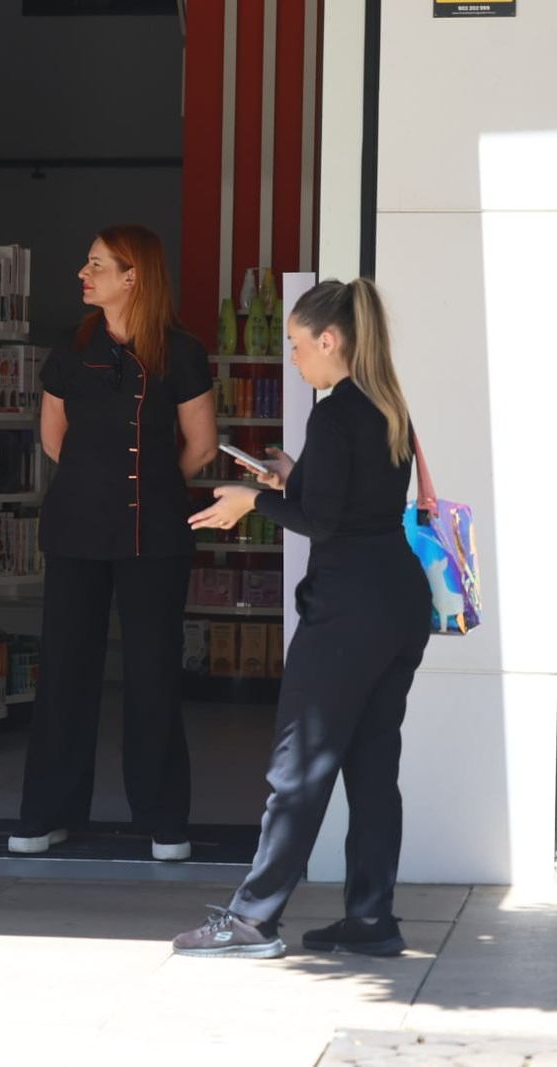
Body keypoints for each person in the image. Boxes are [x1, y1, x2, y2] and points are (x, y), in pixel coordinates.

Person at [172, 278, 431, 959]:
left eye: (295, 344)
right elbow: (352, 501)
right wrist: (287, 478)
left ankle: (253, 918)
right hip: (397, 603)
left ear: (330, 339)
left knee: (301, 765)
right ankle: (373, 919)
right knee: (373, 767)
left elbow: (321, 521)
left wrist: (249, 502)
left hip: (348, 611)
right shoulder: (386, 402)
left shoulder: (335, 412)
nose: (293, 358)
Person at [10, 224, 218, 861]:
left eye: (97, 264)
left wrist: (150, 484)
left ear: (134, 277)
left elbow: (201, 446)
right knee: (66, 670)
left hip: (154, 533)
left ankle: (162, 822)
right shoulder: (70, 350)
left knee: (153, 672)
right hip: (75, 529)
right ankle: (49, 813)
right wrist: (97, 485)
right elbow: (53, 439)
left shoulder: (181, 352)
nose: (83, 272)